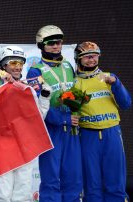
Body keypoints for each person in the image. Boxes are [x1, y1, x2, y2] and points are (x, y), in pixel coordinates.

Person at [26, 25, 82, 202]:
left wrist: (76, 106)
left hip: (71, 129)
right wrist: (63, 119)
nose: (56, 46)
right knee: (51, 180)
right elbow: (36, 106)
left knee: (73, 178)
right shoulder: (35, 71)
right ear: (41, 45)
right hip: (51, 130)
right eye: (51, 43)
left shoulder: (67, 65)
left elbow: (72, 92)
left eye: (59, 42)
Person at [0, 45, 51, 202]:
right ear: (3, 65)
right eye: (13, 63)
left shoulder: (28, 89)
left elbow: (38, 118)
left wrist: (45, 98)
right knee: (2, 195)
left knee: (22, 195)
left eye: (20, 63)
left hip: (25, 146)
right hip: (2, 146)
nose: (17, 67)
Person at [74, 41, 131, 202]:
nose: (91, 59)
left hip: (111, 133)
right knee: (92, 184)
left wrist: (116, 84)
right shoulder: (75, 82)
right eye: (86, 57)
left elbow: (126, 104)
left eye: (95, 56)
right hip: (87, 135)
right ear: (78, 59)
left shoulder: (109, 77)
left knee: (115, 181)